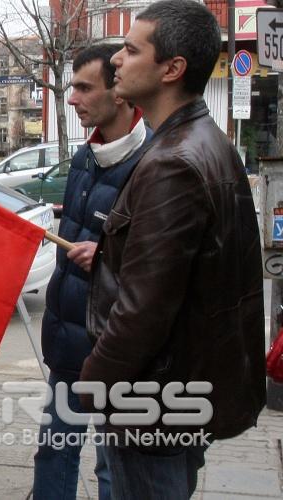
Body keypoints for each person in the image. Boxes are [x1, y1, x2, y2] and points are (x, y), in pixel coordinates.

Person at [81, 1, 265, 498]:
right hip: (179, 392)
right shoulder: (207, 142)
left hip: (152, 403)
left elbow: (145, 309)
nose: (116, 59)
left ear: (172, 68)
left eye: (131, 49)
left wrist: (93, 381)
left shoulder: (173, 162)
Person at [32, 43, 149, 500]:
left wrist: (103, 255)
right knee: (54, 450)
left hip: (117, 353)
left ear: (119, 93)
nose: (72, 98)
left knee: (111, 466)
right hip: (67, 343)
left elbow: (160, 266)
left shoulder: (153, 163)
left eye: (84, 87)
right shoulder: (84, 156)